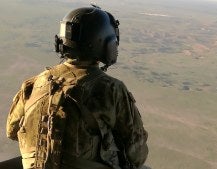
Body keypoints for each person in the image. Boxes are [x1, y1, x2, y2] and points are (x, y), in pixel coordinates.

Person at [6, 5, 148, 169]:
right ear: (103, 43)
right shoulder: (111, 89)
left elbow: (12, 131)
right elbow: (137, 154)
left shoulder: (34, 83)